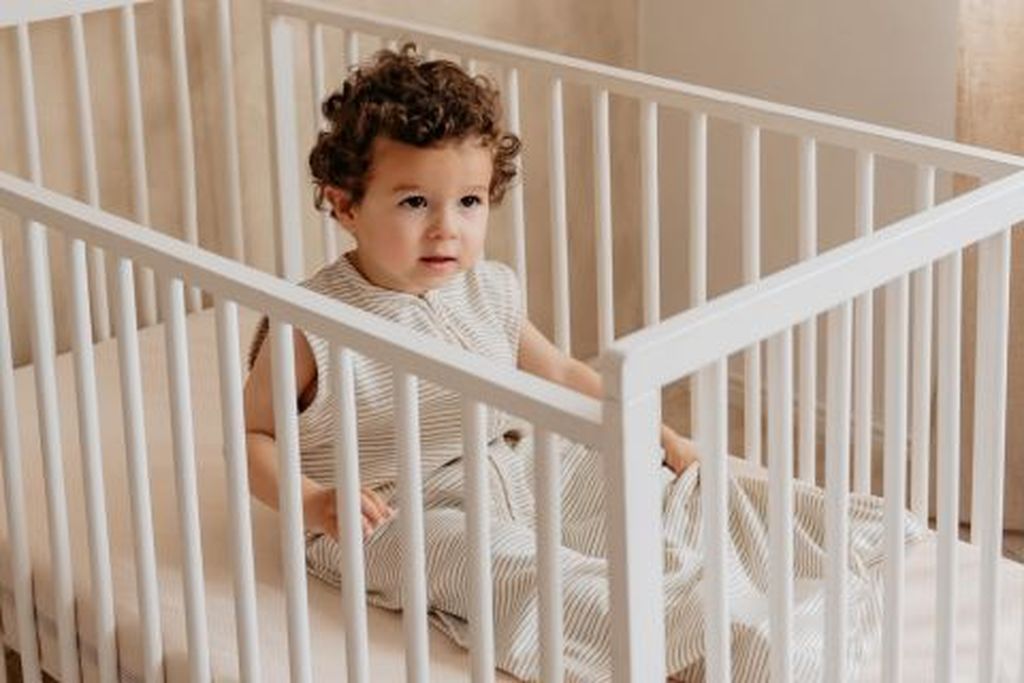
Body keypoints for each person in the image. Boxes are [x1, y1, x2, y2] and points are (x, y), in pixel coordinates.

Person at [243, 45, 920, 682]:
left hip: (514, 459)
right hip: (391, 509)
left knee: (653, 490)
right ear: (344, 203)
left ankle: (825, 548)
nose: (447, 226)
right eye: (415, 201)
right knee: (514, 570)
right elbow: (254, 436)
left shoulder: (488, 287)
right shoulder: (313, 325)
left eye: (470, 201)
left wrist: (650, 431)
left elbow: (561, 373)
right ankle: (713, 636)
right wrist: (313, 502)